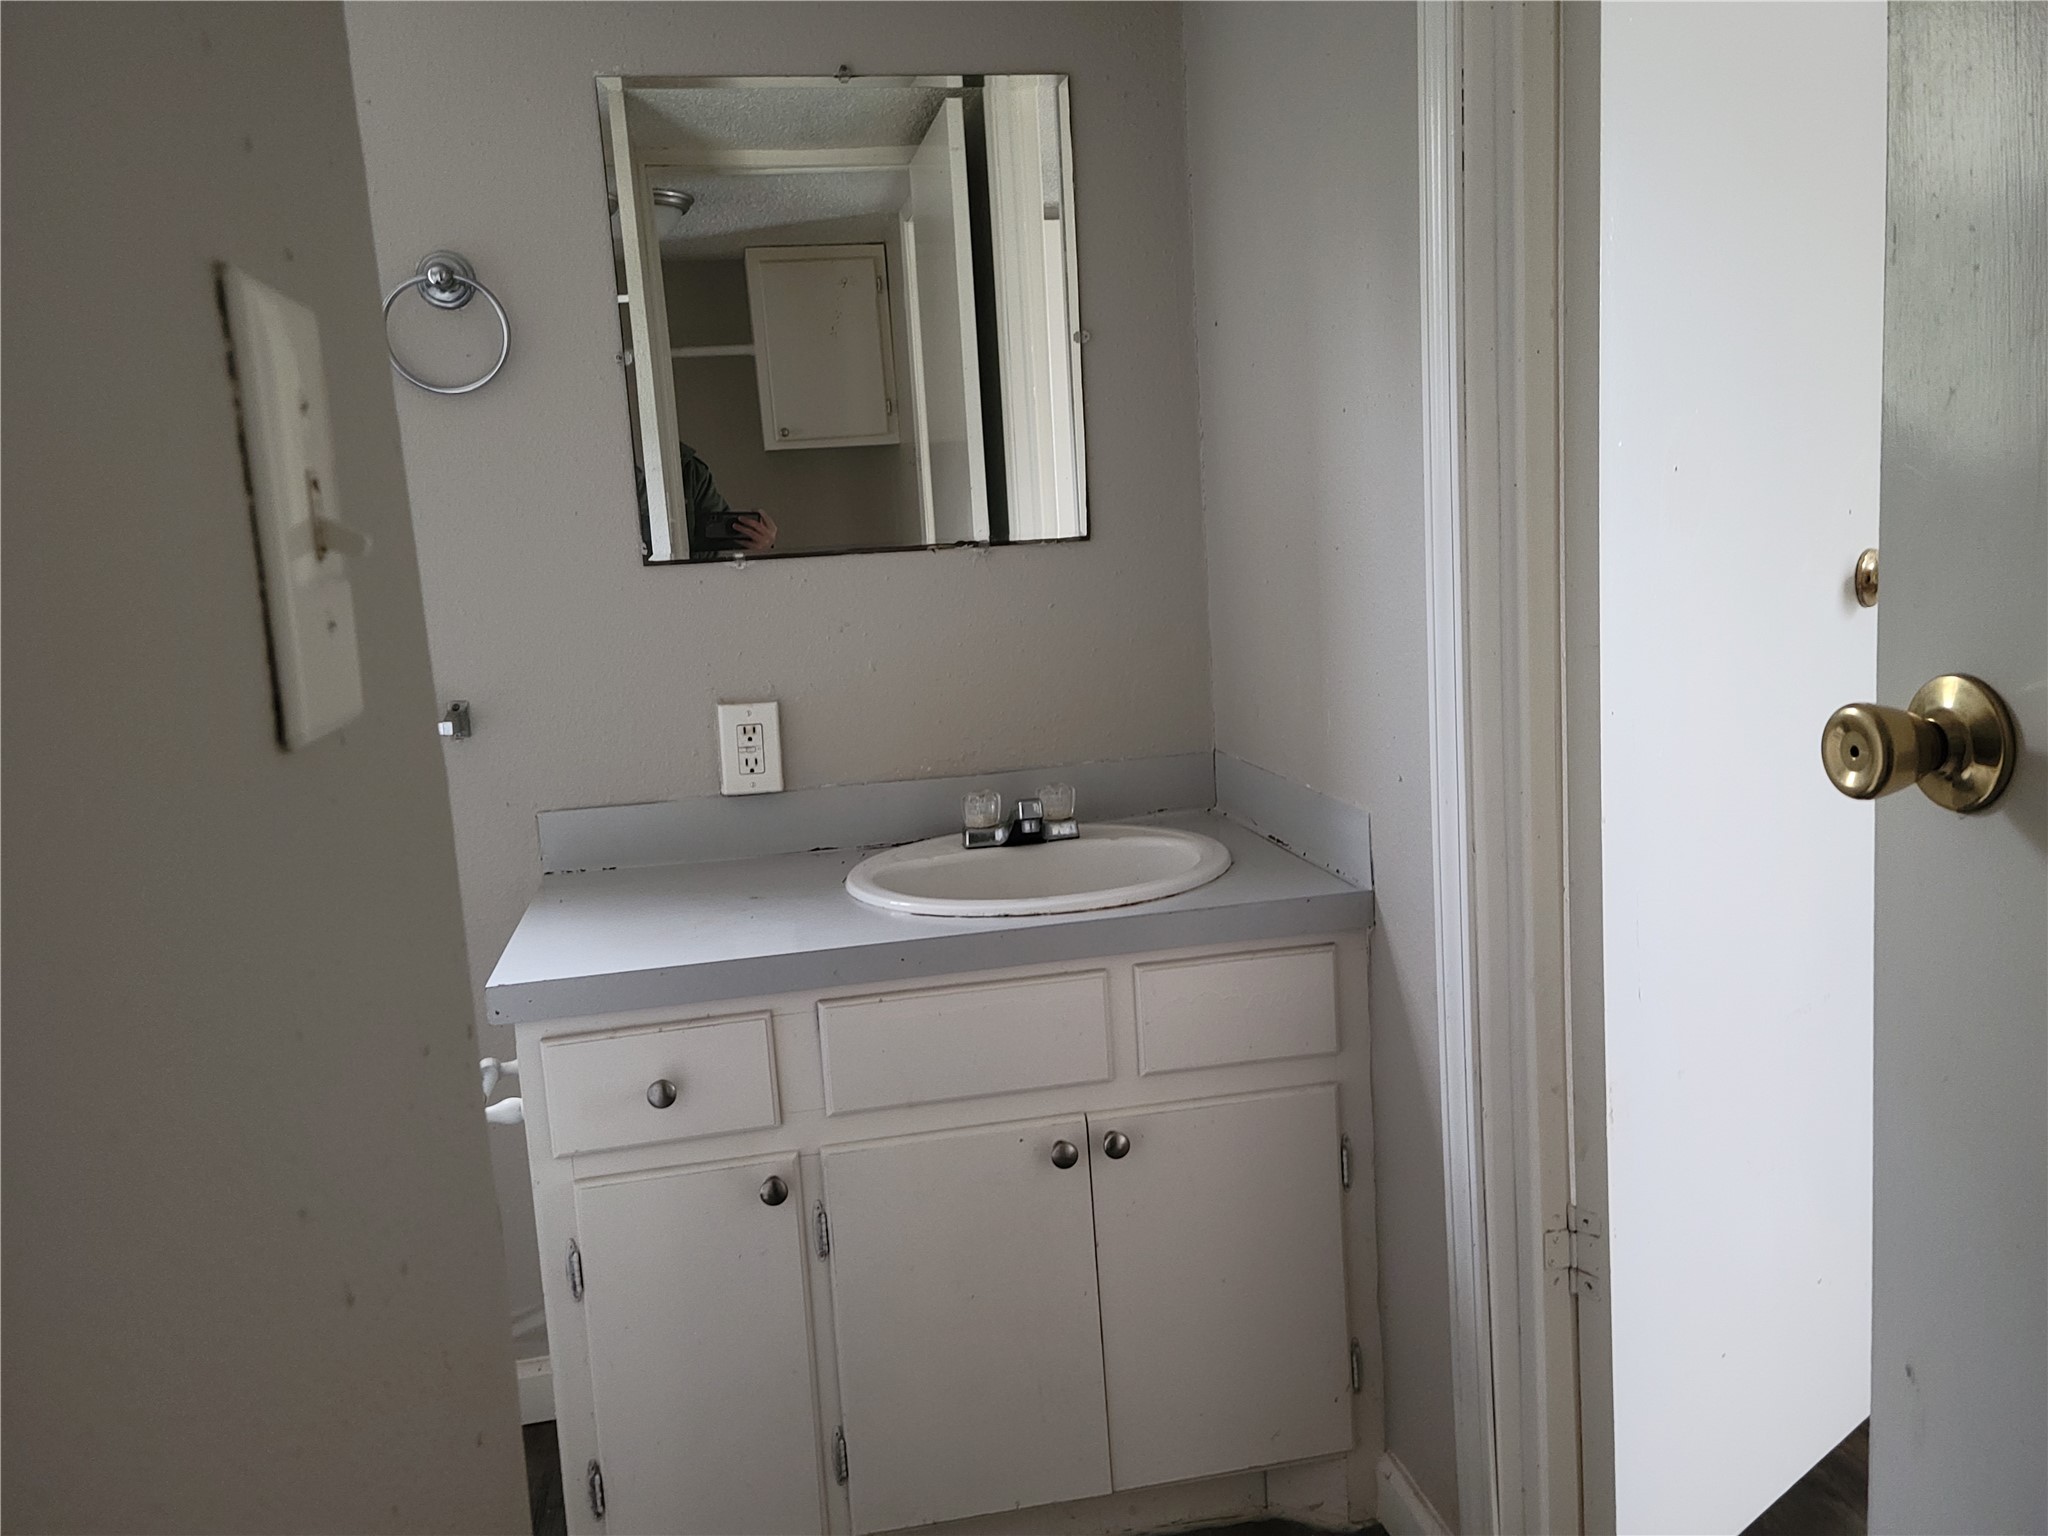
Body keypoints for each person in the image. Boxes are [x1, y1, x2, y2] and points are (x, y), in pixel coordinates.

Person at [679, 441, 777, 555]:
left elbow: (718, 537)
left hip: (695, 570)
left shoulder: (692, 471)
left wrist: (763, 542)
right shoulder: (692, 470)